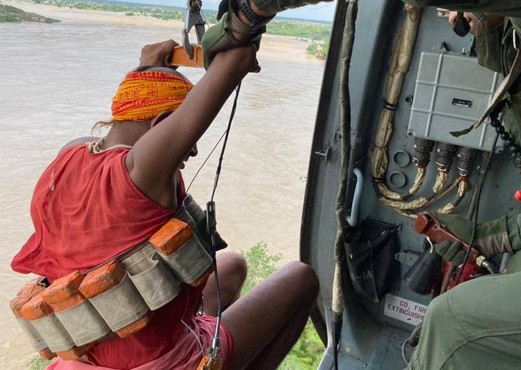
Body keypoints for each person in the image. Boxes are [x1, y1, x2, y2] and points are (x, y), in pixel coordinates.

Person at [198, 0, 521, 368]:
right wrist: (494, 236)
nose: (452, 15)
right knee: (518, 273)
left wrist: (247, 14)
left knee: (456, 329)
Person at [11, 40, 319, 370]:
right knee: (301, 278)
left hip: (89, 358)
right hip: (161, 363)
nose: (192, 152)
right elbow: (235, 61)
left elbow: (127, 121)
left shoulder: (69, 154)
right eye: (188, 142)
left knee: (233, 266)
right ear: (160, 128)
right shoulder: (142, 173)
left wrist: (146, 70)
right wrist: (250, 18)